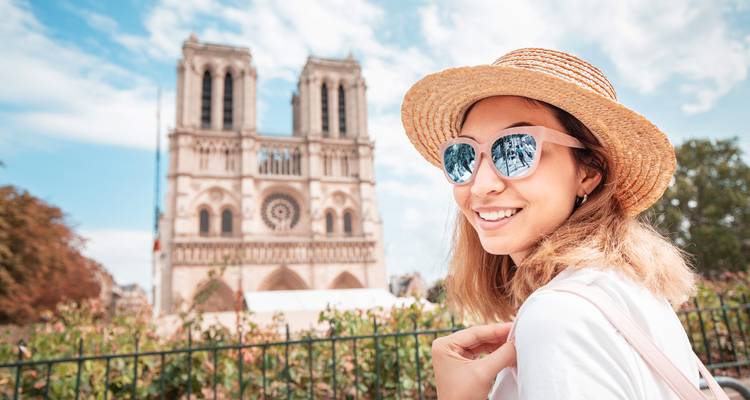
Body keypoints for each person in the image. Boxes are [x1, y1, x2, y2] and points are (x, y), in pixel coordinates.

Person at [400, 48, 701, 399]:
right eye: (462, 156)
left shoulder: (558, 316)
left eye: (515, 151)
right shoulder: (630, 292)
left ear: (588, 172)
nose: (481, 184)